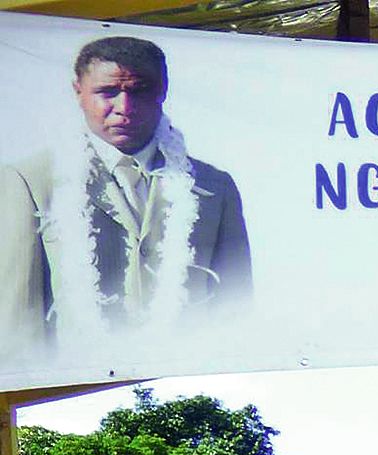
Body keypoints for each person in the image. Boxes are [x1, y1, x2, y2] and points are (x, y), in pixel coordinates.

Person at [0, 36, 252, 353]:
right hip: (77, 388)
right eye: (107, 92)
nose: (124, 108)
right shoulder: (30, 180)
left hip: (181, 379)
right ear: (78, 91)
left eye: (139, 91)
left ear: (163, 90)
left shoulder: (215, 186)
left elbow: (236, 310)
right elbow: (16, 324)